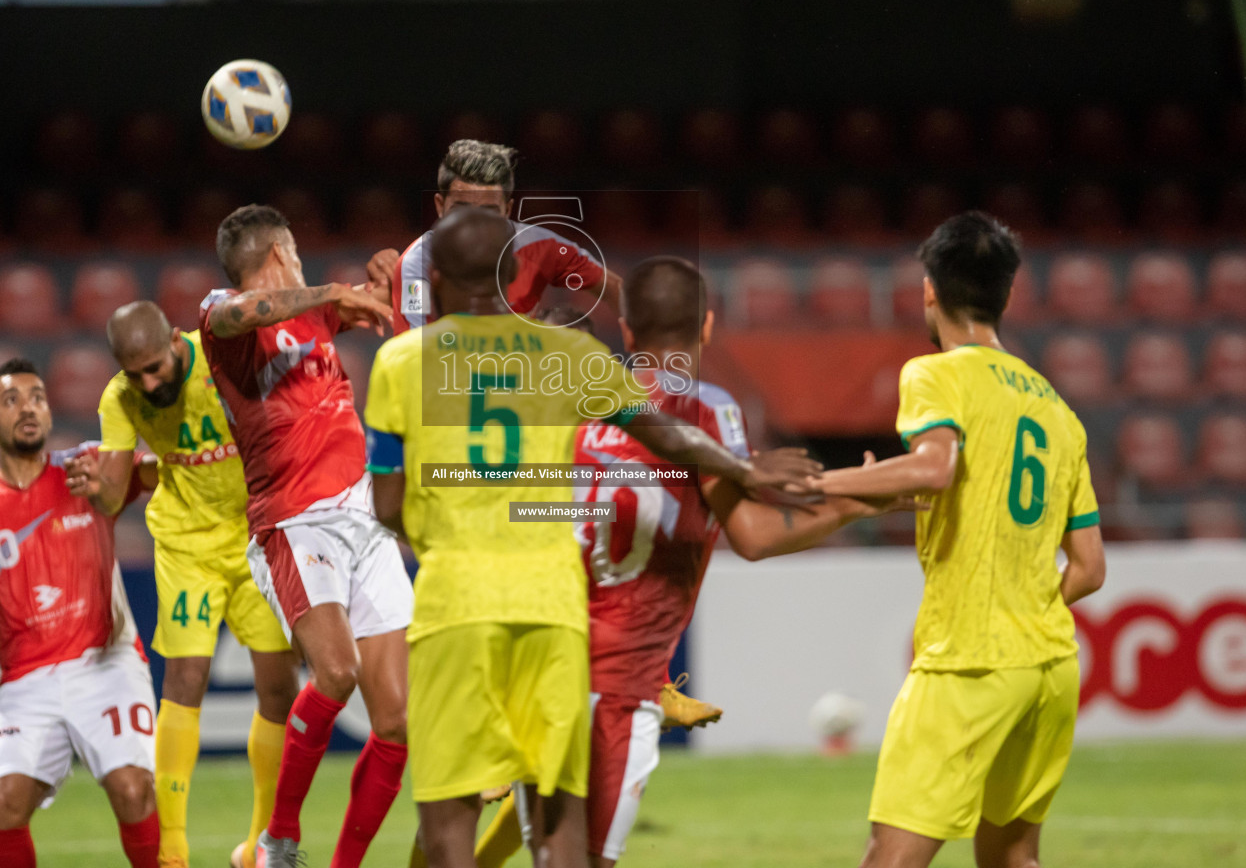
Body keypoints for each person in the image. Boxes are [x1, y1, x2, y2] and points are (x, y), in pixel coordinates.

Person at [363, 206, 824, 868]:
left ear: (433, 281)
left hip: (454, 610)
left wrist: (454, 516)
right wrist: (744, 467)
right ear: (510, 273)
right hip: (554, 616)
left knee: (449, 826)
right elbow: (662, 430)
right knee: (563, 829)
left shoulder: (402, 361)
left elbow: (386, 504)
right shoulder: (569, 353)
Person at [471, 264, 919, 868]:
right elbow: (754, 535)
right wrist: (861, 501)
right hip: (617, 682)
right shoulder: (703, 406)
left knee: (547, 854)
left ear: (626, 331)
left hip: (533, 664)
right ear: (706, 326)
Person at [816, 212, 1107, 868]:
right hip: (1051, 669)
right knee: (1012, 857)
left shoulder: (934, 375)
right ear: (1006, 296)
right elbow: (1089, 568)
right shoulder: (1057, 408)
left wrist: (817, 482)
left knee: (888, 859)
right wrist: (1027, 617)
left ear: (928, 289)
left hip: (967, 661)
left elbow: (935, 467)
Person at [198, 204, 410, 868]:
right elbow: (245, 314)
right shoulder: (220, 315)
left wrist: (394, 276)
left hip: (364, 519)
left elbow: (387, 308)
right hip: (294, 520)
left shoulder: (317, 313)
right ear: (281, 251)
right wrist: (332, 292)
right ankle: (279, 840)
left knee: (398, 723)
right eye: (294, 251)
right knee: (337, 671)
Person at [72, 299, 300, 868]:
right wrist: (96, 484)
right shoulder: (120, 400)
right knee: (185, 678)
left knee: (279, 690)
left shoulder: (220, 359)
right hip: (186, 545)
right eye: (135, 373)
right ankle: (171, 849)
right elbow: (112, 493)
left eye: (155, 367)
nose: (149, 382)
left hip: (256, 538)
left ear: (176, 343)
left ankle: (260, 848)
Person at [0, 358, 160, 868]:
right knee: (3, 802)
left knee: (132, 789)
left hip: (106, 662)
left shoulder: (86, 466)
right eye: (11, 399)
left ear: (50, 414)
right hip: (26, 681)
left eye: (37, 397)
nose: (27, 407)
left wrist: (111, 484)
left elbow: (161, 470)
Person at [366, 139, 624, 334]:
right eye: (462, 210)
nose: (475, 227)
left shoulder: (543, 247)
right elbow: (416, 354)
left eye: (489, 213)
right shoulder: (417, 263)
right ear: (439, 207)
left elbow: (615, 289)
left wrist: (650, 358)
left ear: (508, 211)